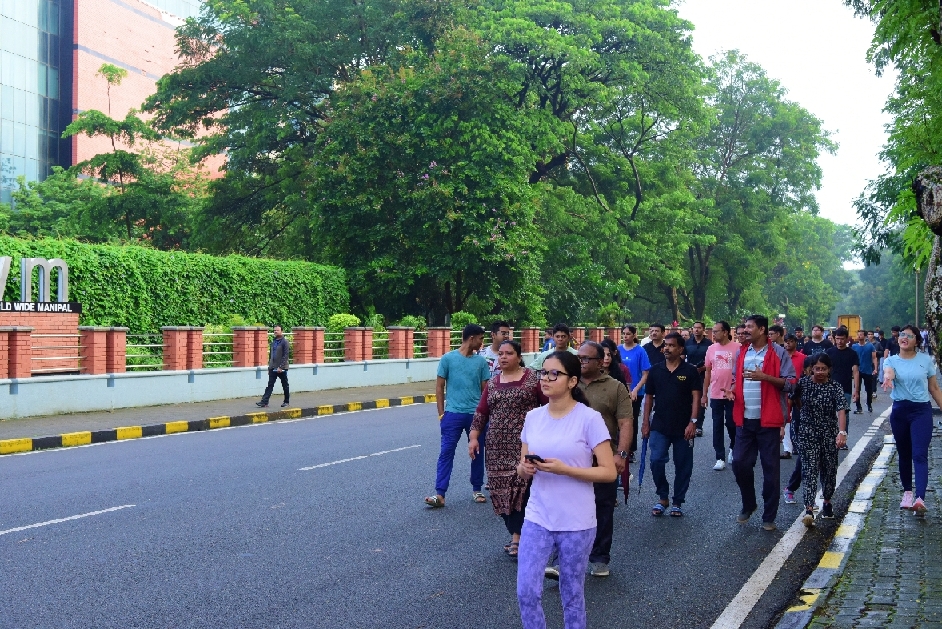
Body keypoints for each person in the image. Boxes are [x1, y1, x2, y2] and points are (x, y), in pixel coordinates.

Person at [516, 351, 616, 629]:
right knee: (526, 592)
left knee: (571, 594)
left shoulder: (589, 419)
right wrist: (525, 469)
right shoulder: (533, 417)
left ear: (572, 381)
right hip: (538, 516)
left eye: (554, 374)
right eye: (543, 373)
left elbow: (608, 472)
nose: (546, 379)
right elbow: (521, 466)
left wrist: (565, 469)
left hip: (576, 522)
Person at [469, 341, 547, 557]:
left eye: (509, 353)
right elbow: (482, 412)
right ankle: (516, 532)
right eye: (501, 354)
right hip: (496, 448)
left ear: (519, 357)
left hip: (524, 446)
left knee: (523, 490)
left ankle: (518, 537)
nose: (503, 357)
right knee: (500, 490)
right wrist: (473, 437)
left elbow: (548, 407)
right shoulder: (493, 383)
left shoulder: (532, 379)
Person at [728, 314, 796, 531]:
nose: (745, 330)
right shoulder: (742, 352)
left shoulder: (778, 352)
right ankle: (749, 504)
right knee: (739, 463)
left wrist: (765, 377)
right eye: (745, 326)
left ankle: (769, 516)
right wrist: (732, 391)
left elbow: (791, 383)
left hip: (769, 421)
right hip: (744, 419)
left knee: (770, 470)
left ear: (762, 329)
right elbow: (735, 379)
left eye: (749, 327)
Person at [576, 341, 634, 577]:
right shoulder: (568, 383)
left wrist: (621, 454)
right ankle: (564, 557)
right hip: (570, 460)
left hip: (603, 460)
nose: (581, 362)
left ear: (600, 362)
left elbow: (625, 423)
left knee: (603, 508)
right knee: (567, 508)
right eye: (579, 358)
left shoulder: (615, 387)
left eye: (586, 358)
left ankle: (600, 557)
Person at [425, 324, 492, 508]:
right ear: (471, 338)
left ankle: (477, 489)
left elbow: (485, 391)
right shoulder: (448, 359)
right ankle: (440, 494)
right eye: (480, 338)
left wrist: (485, 415)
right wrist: (441, 414)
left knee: (477, 452)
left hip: (475, 415)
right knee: (446, 452)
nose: (482, 343)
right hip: (452, 414)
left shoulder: (481, 362)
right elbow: (439, 387)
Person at [883, 324, 942, 513]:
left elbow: (934, 388)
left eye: (909, 336)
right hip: (900, 411)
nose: (904, 338)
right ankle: (907, 493)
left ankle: (920, 498)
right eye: (902, 335)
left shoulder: (925, 360)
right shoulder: (891, 360)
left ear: (917, 341)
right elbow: (889, 372)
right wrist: (888, 378)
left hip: (921, 412)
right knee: (904, 453)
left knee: (919, 454)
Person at [642, 332, 701, 516]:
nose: (666, 348)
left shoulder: (690, 371)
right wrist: (645, 423)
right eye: (665, 345)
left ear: (680, 348)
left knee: (683, 465)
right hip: (660, 425)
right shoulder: (655, 370)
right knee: (656, 460)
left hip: (684, 426)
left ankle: (677, 501)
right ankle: (663, 497)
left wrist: (693, 422)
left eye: (671, 345)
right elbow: (649, 398)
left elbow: (696, 397)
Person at [791, 353, 849, 526]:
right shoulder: (803, 383)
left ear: (829, 370)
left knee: (829, 469)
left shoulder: (835, 387)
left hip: (829, 432)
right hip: (807, 432)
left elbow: (841, 409)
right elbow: (794, 400)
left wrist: (842, 432)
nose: (820, 372)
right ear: (811, 369)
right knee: (809, 469)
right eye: (817, 368)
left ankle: (827, 501)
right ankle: (809, 508)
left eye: (823, 369)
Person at [702, 321, 740, 470]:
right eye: (713, 331)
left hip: (732, 393)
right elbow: (707, 372)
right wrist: (704, 394)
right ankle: (719, 457)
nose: (713, 334)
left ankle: (733, 447)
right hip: (716, 393)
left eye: (716, 331)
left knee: (731, 423)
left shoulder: (737, 348)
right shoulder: (711, 349)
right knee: (717, 425)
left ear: (725, 332)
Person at [783, 355, 814, 506]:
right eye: (812, 369)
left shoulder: (829, 385)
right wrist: (783, 423)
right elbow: (790, 401)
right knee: (805, 459)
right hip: (800, 426)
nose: (817, 372)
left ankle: (819, 497)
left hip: (820, 428)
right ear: (806, 370)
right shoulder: (800, 384)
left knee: (818, 462)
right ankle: (791, 489)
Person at [619, 325, 651, 462]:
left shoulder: (640, 351)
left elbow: (645, 374)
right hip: (619, 392)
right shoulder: (618, 350)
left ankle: (631, 449)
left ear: (634, 335)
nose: (625, 336)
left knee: (631, 421)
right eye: (624, 333)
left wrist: (635, 390)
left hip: (635, 392)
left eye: (628, 334)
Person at [826, 328, 860, 448]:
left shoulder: (852, 353)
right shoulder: (829, 352)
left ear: (846, 339)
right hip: (830, 387)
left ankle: (843, 438)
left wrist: (856, 390)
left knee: (844, 414)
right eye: (837, 339)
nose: (839, 341)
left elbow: (856, 372)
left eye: (842, 339)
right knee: (829, 414)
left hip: (845, 387)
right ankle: (831, 438)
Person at [685, 321, 711, 437]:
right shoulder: (687, 343)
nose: (696, 330)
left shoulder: (709, 344)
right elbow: (682, 357)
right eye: (694, 328)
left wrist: (702, 368)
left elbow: (711, 361)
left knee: (700, 400)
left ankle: (698, 426)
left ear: (703, 329)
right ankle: (687, 423)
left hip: (702, 374)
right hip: (688, 374)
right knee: (687, 399)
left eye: (699, 328)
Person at [256, 325, 290, 408]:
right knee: (270, 385)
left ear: (281, 331)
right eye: (274, 330)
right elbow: (271, 355)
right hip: (273, 367)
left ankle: (286, 401)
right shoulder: (274, 341)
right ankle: (264, 402)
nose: (275, 331)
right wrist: (269, 367)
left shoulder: (285, 342)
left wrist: (281, 367)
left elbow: (285, 355)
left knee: (285, 385)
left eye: (277, 330)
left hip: (282, 368)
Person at [852, 329, 878, 414]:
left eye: (861, 334)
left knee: (869, 389)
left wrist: (875, 368)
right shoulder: (854, 346)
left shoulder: (870, 346)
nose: (859, 336)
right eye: (858, 334)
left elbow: (874, 358)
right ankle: (858, 407)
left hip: (867, 370)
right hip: (857, 371)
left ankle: (869, 404)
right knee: (857, 389)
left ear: (865, 336)